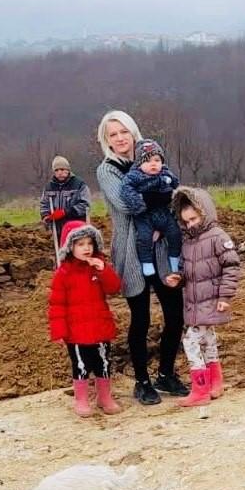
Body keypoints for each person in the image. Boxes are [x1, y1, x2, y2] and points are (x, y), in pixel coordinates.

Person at [95, 111, 189, 405]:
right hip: (131, 250)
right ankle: (142, 381)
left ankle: (165, 374)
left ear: (133, 132)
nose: (120, 138)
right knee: (141, 317)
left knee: (176, 313)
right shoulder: (107, 170)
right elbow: (126, 205)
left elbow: (176, 193)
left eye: (124, 131)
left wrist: (163, 221)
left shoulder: (151, 158)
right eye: (113, 134)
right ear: (106, 141)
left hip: (162, 248)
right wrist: (159, 203)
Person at [167, 186, 241, 406]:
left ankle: (200, 389)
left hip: (211, 300)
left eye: (193, 219)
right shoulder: (188, 241)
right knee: (208, 339)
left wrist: (225, 297)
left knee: (190, 341)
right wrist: (178, 278)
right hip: (195, 301)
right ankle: (215, 382)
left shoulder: (218, 237)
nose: (190, 225)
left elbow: (232, 266)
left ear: (204, 213)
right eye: (186, 221)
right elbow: (186, 269)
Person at [47, 220, 123, 417]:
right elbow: (57, 305)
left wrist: (103, 269)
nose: (86, 248)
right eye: (80, 244)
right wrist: (60, 332)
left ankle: (104, 397)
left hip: (99, 327)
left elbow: (114, 288)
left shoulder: (97, 267)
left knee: (103, 363)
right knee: (81, 366)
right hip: (76, 332)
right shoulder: (63, 274)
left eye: (89, 243)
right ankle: (81, 399)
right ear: (70, 247)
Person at [120, 139, 182, 281]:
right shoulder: (134, 176)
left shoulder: (166, 173)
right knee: (144, 238)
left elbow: (176, 185)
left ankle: (174, 261)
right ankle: (146, 262)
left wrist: (171, 188)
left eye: (157, 160)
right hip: (144, 215)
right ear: (139, 164)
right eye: (148, 161)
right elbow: (126, 190)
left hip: (164, 213)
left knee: (175, 233)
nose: (153, 164)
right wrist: (139, 203)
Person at [38, 155, 91, 239]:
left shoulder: (79, 185)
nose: (59, 172)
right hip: (57, 229)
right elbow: (44, 204)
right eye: (56, 170)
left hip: (76, 227)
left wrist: (65, 212)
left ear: (68, 170)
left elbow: (85, 205)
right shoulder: (49, 187)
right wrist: (45, 215)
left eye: (62, 169)